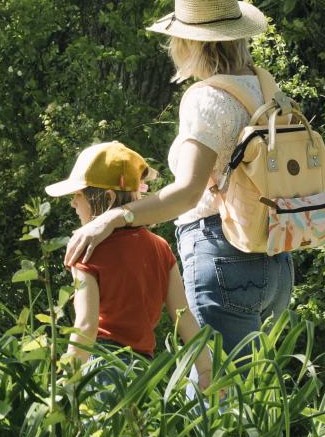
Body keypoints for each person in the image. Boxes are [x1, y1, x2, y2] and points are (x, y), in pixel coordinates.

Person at [64, 0, 294, 365]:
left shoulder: (206, 98)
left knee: (214, 397)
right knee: (252, 400)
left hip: (223, 254)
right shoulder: (266, 87)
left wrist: (113, 218)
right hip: (276, 258)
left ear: (188, 40)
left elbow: (187, 193)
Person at [45, 140, 211, 389]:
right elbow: (184, 316)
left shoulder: (87, 249)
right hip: (144, 370)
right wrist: (206, 371)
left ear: (107, 197)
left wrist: (67, 380)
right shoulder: (160, 247)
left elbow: (86, 326)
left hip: (101, 366)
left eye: (77, 195)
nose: (72, 203)